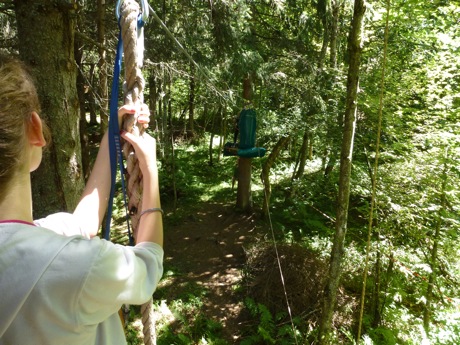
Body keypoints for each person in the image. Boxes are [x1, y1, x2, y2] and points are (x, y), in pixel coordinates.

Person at [0, 56, 163, 344]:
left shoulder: (44, 243)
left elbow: (83, 222)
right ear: (34, 129)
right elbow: (149, 265)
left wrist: (113, 136)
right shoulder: (81, 267)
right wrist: (150, 171)